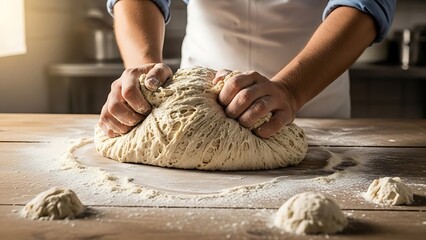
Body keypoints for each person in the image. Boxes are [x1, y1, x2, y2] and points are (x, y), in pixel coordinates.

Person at [100, 0, 396, 138]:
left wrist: (291, 90)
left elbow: (365, 4)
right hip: (193, 112)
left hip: (315, 104)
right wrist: (144, 71)